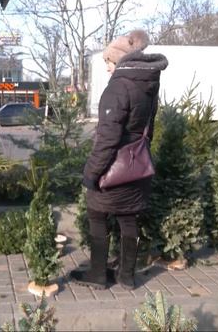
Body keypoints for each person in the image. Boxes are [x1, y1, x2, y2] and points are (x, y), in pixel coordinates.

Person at [70, 30, 168, 290]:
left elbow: (107, 138)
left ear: (120, 61)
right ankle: (127, 276)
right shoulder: (148, 85)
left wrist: (92, 173)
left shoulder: (118, 87)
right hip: (137, 167)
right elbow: (149, 129)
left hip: (113, 169)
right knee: (128, 219)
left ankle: (98, 274)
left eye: (108, 62)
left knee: (97, 215)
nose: (107, 68)